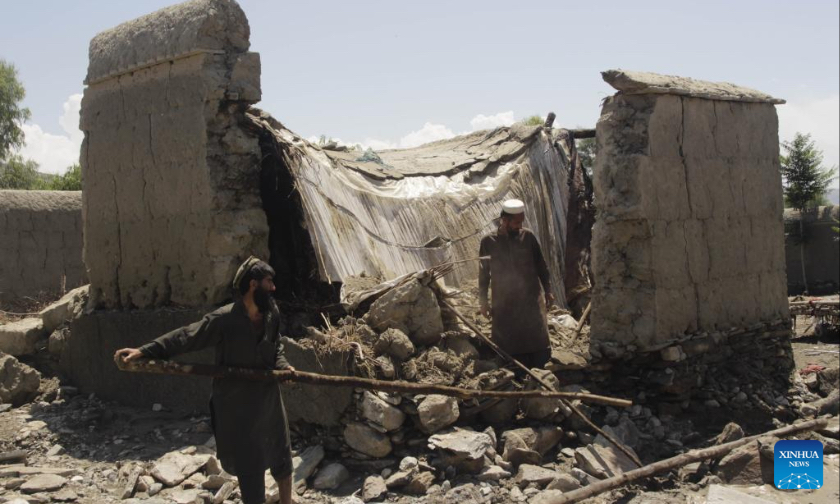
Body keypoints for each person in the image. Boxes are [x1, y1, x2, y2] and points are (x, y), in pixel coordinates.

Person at [115, 257, 296, 504]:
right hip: (238, 406)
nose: (273, 288)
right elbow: (186, 337)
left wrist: (284, 368)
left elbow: (276, 348)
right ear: (253, 285)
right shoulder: (224, 320)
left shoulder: (271, 313)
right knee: (250, 469)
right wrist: (145, 351)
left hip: (269, 401)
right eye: (269, 282)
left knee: (282, 459)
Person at [478, 199, 554, 369]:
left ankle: (540, 370)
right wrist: (483, 302)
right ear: (504, 220)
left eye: (522, 221)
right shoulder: (488, 242)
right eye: (516, 222)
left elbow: (542, 266)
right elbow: (483, 276)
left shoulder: (529, 238)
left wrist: (548, 290)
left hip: (531, 300)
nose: (520, 226)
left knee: (538, 341)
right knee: (507, 344)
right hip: (504, 303)